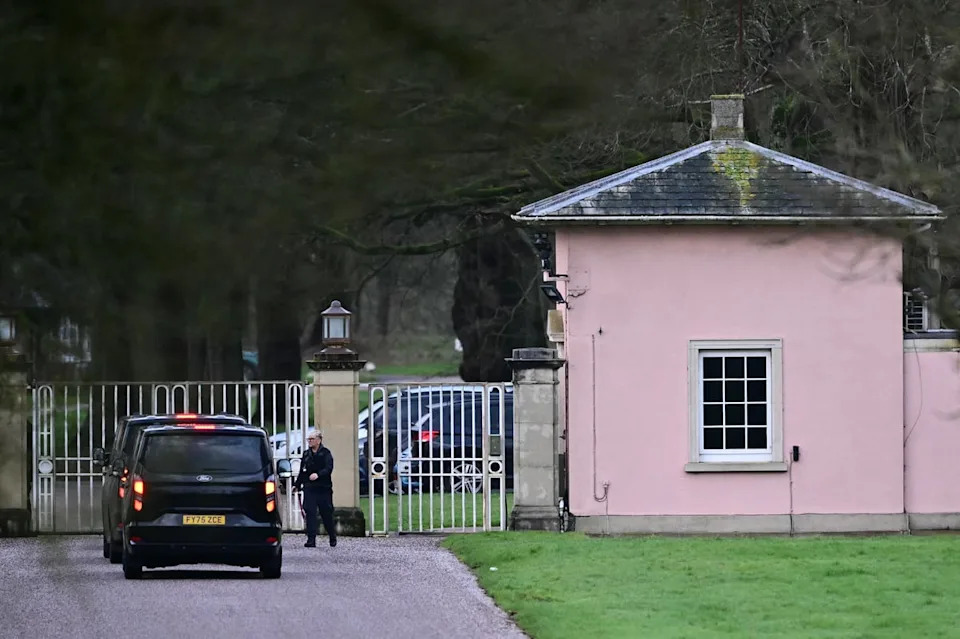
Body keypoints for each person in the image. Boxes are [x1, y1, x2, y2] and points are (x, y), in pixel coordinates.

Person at [294, 429, 337, 548]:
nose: (310, 441)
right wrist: (297, 485)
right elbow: (302, 471)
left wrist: (318, 474)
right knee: (310, 512)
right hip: (310, 488)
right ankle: (311, 539)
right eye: (309, 439)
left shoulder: (326, 453)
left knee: (326, 513)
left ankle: (332, 536)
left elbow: (329, 468)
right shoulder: (306, 454)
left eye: (312, 439)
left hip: (323, 488)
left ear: (319, 440)